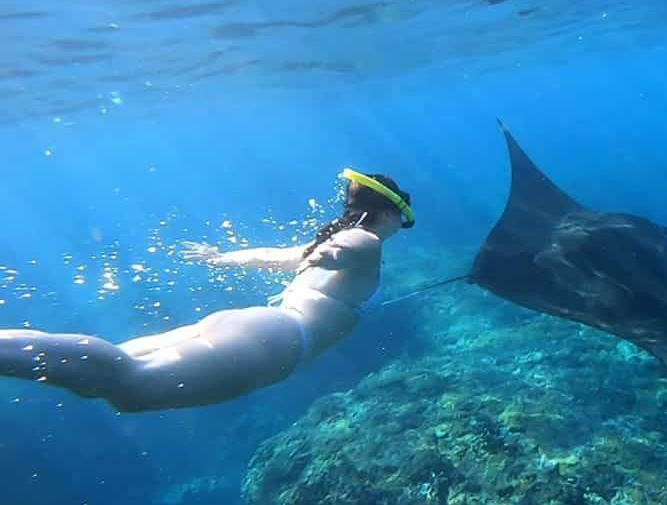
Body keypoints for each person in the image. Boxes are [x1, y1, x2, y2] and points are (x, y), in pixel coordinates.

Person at [0, 169, 414, 412]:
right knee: (130, 386)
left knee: (117, 371)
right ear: (389, 213)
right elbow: (355, 245)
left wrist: (220, 258)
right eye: (403, 218)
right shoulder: (368, 244)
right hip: (281, 342)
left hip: (255, 329)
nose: (401, 228)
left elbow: (273, 256)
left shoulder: (329, 244)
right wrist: (334, 255)